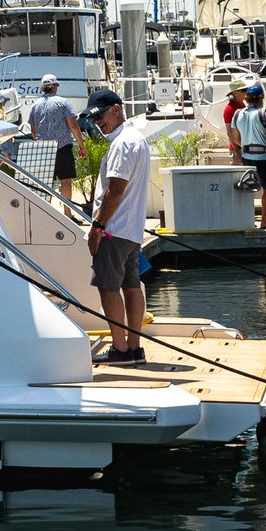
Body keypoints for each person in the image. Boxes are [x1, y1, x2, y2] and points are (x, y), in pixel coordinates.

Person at [85, 87, 153, 365]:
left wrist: (97, 227)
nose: (96, 122)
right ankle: (134, 348)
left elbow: (115, 190)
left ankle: (121, 350)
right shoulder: (136, 138)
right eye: (92, 119)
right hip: (131, 230)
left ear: (116, 109)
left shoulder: (122, 143)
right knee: (131, 284)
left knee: (108, 287)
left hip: (113, 230)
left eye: (99, 115)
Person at [232, 80, 266, 230]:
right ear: (261, 99)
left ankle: (248, 219)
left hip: (247, 157)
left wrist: (247, 148)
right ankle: (265, 220)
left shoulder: (237, 114)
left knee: (248, 189)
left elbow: (235, 139)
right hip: (264, 159)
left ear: (246, 99)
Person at [26, 74, 84, 203]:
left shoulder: (35, 105)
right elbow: (73, 125)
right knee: (66, 180)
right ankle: (67, 213)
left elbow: (33, 131)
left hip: (43, 148)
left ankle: (48, 215)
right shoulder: (63, 103)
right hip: (62, 146)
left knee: (45, 182)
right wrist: (81, 146)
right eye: (57, 85)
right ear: (54, 87)